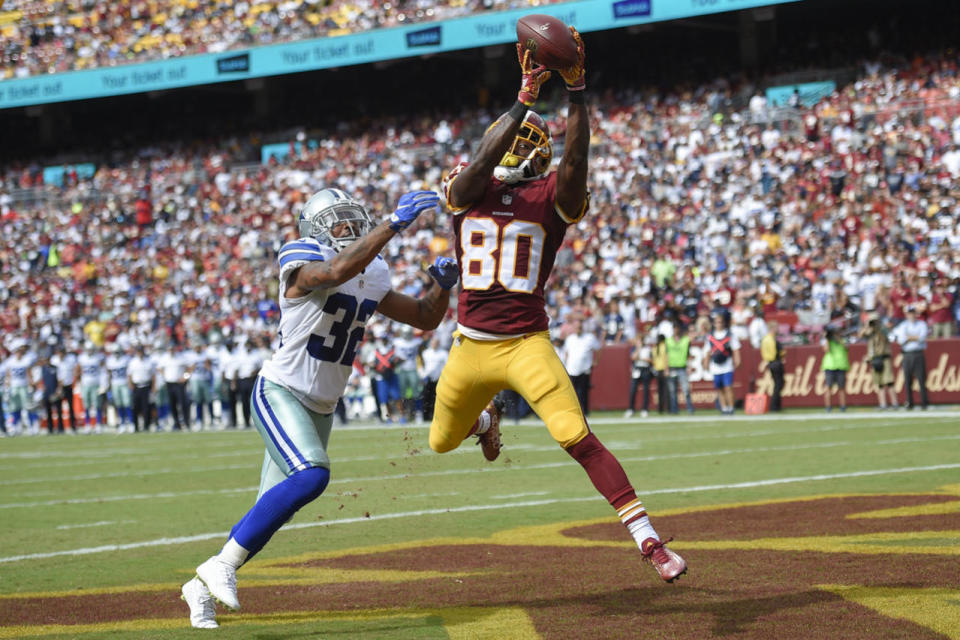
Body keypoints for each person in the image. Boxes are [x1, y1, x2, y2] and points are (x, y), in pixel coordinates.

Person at [429, 33, 686, 585]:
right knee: (440, 441)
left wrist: (576, 92)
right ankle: (484, 419)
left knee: (577, 436)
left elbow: (576, 162)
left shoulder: (551, 197)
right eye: (512, 139)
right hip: (469, 348)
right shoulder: (465, 188)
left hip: (526, 346)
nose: (517, 148)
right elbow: (479, 163)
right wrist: (523, 98)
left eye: (525, 139)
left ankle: (649, 542)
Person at [181, 187, 454, 629]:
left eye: (353, 220)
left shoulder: (374, 269)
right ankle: (221, 569)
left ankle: (201, 584)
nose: (349, 228)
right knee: (312, 474)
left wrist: (441, 288)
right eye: (339, 222)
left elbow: (424, 317)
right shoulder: (302, 256)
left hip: (323, 406)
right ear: (317, 229)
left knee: (272, 509)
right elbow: (333, 271)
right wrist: (393, 224)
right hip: (281, 391)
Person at [892, 304, 929, 410]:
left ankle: (924, 402)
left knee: (921, 378)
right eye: (909, 313)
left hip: (918, 353)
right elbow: (901, 340)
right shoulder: (903, 325)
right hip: (907, 354)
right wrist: (914, 337)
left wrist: (909, 337)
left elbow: (922, 338)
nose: (911, 315)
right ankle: (910, 402)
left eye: (913, 313)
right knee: (908, 379)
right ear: (906, 315)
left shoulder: (921, 324)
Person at [703, 310, 740, 415]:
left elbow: (736, 349)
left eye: (721, 322)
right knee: (719, 388)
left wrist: (737, 360)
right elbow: (707, 351)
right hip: (715, 365)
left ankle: (731, 407)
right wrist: (706, 362)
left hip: (727, 364)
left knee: (728, 387)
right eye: (717, 322)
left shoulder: (729, 335)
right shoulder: (710, 336)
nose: (719, 324)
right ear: (714, 324)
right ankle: (724, 408)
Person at [563, 317, 601, 416]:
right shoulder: (570, 338)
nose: (578, 329)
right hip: (571, 369)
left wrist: (595, 361)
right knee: (572, 392)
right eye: (576, 327)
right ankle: (574, 411)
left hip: (585, 369)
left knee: (583, 391)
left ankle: (585, 411)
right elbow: (566, 352)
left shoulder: (589, 337)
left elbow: (598, 349)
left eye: (580, 327)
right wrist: (565, 364)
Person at [859, 314, 897, 409]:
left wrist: (877, 326)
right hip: (875, 359)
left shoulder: (882, 329)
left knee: (889, 382)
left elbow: (884, 336)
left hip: (884, 357)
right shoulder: (870, 332)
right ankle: (883, 404)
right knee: (879, 383)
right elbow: (860, 334)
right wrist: (867, 325)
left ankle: (895, 403)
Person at [157, 341, 193, 431]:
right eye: (170, 349)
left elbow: (191, 367)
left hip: (179, 383)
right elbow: (159, 368)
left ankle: (186, 422)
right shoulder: (164, 358)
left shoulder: (180, 357)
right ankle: (177, 424)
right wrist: (165, 376)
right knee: (172, 404)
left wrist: (185, 377)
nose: (171, 351)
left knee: (183, 403)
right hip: (169, 383)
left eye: (172, 349)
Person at [665, 321, 694, 414]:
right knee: (672, 390)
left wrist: (689, 366)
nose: (676, 330)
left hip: (682, 367)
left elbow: (688, 354)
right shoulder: (668, 340)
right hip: (672, 367)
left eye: (677, 328)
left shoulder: (686, 340)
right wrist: (666, 368)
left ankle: (689, 408)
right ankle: (674, 409)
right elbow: (666, 355)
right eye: (675, 328)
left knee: (686, 389)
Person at [106, 342, 134, 433]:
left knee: (127, 403)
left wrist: (130, 384)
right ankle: (122, 423)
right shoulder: (110, 360)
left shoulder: (125, 359)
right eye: (115, 352)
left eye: (118, 352)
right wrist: (109, 386)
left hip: (124, 383)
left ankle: (130, 422)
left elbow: (129, 373)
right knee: (119, 404)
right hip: (115, 384)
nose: (116, 354)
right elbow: (109, 374)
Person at [127, 344, 156, 432]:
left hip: (146, 386)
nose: (140, 353)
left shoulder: (149, 361)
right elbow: (129, 375)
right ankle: (135, 426)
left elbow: (153, 375)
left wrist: (154, 386)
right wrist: (130, 385)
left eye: (141, 351)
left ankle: (146, 426)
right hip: (136, 386)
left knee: (146, 407)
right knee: (135, 407)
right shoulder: (132, 362)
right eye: (138, 351)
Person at [419, 335, 448, 423]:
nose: (434, 345)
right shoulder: (426, 353)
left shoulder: (443, 353)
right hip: (427, 378)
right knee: (426, 397)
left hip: (439, 379)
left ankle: (435, 415)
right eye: (432, 343)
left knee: (436, 398)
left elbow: (447, 365)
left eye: (435, 343)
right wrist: (422, 375)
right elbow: (421, 365)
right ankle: (425, 416)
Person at [821, 325, 849, 412]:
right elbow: (826, 350)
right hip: (830, 366)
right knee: (828, 387)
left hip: (841, 366)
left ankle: (843, 406)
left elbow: (847, 348)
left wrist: (838, 338)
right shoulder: (827, 341)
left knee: (841, 388)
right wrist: (827, 338)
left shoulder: (842, 340)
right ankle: (828, 407)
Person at [758, 319, 785, 412]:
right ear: (773, 328)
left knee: (777, 384)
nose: (778, 329)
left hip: (770, 363)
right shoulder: (772, 339)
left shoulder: (765, 339)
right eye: (777, 327)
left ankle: (775, 406)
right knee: (778, 384)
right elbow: (779, 352)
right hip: (776, 362)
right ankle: (774, 406)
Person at [625, 334, 653, 418]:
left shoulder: (648, 349)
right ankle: (631, 409)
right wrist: (638, 348)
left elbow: (651, 360)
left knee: (645, 391)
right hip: (637, 369)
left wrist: (645, 359)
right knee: (633, 390)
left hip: (645, 369)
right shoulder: (634, 349)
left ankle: (644, 409)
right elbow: (633, 357)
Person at [652, 333, 669, 414]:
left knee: (660, 391)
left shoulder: (655, 348)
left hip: (657, 370)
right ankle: (668, 407)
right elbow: (666, 358)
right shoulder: (664, 347)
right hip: (663, 369)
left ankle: (660, 408)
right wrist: (667, 368)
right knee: (666, 390)